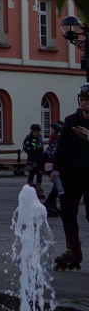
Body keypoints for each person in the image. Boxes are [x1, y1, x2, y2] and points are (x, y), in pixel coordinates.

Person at [50, 84, 89, 270]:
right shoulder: (71, 120)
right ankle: (73, 250)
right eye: (82, 100)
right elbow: (61, 148)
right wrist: (56, 169)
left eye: (88, 100)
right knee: (66, 212)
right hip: (71, 173)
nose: (85, 104)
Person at [42, 121, 63, 217]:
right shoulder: (58, 139)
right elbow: (51, 153)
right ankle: (48, 204)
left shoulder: (57, 138)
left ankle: (52, 204)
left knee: (57, 186)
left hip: (50, 164)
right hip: (52, 165)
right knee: (57, 187)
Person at [22, 124, 45, 194]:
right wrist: (35, 148)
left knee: (39, 174)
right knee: (31, 174)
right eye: (35, 132)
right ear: (32, 132)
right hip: (32, 159)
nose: (37, 134)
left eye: (38, 132)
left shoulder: (40, 138)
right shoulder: (28, 138)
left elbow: (42, 147)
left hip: (39, 158)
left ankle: (38, 188)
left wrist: (41, 149)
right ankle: (28, 189)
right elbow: (25, 148)